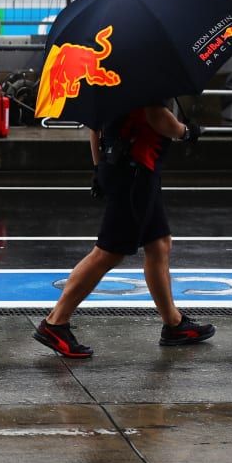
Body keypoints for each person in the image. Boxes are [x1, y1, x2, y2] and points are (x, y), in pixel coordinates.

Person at [34, 103, 214, 359]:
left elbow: (96, 126)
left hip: (120, 165)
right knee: (108, 252)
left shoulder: (111, 75)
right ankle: (55, 323)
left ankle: (174, 324)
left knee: (159, 243)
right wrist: (186, 131)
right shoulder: (149, 73)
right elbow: (157, 116)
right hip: (135, 172)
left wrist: (99, 168)